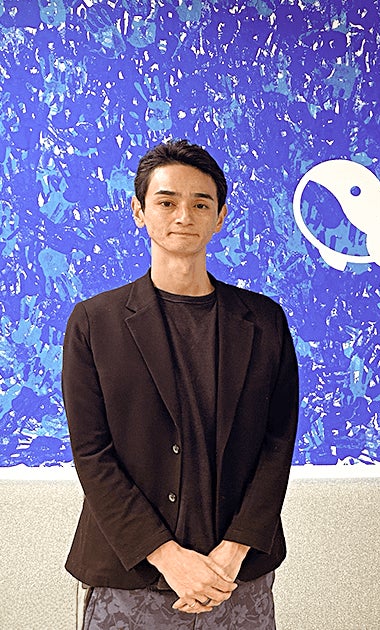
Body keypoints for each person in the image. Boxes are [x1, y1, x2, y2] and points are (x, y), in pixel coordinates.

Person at [63, 139, 299, 628]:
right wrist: (167, 557)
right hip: (130, 576)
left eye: (201, 204)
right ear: (139, 211)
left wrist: (233, 552)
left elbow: (277, 446)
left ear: (220, 217)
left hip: (235, 577)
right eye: (167, 202)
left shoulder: (264, 321)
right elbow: (92, 454)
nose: (183, 216)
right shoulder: (94, 322)